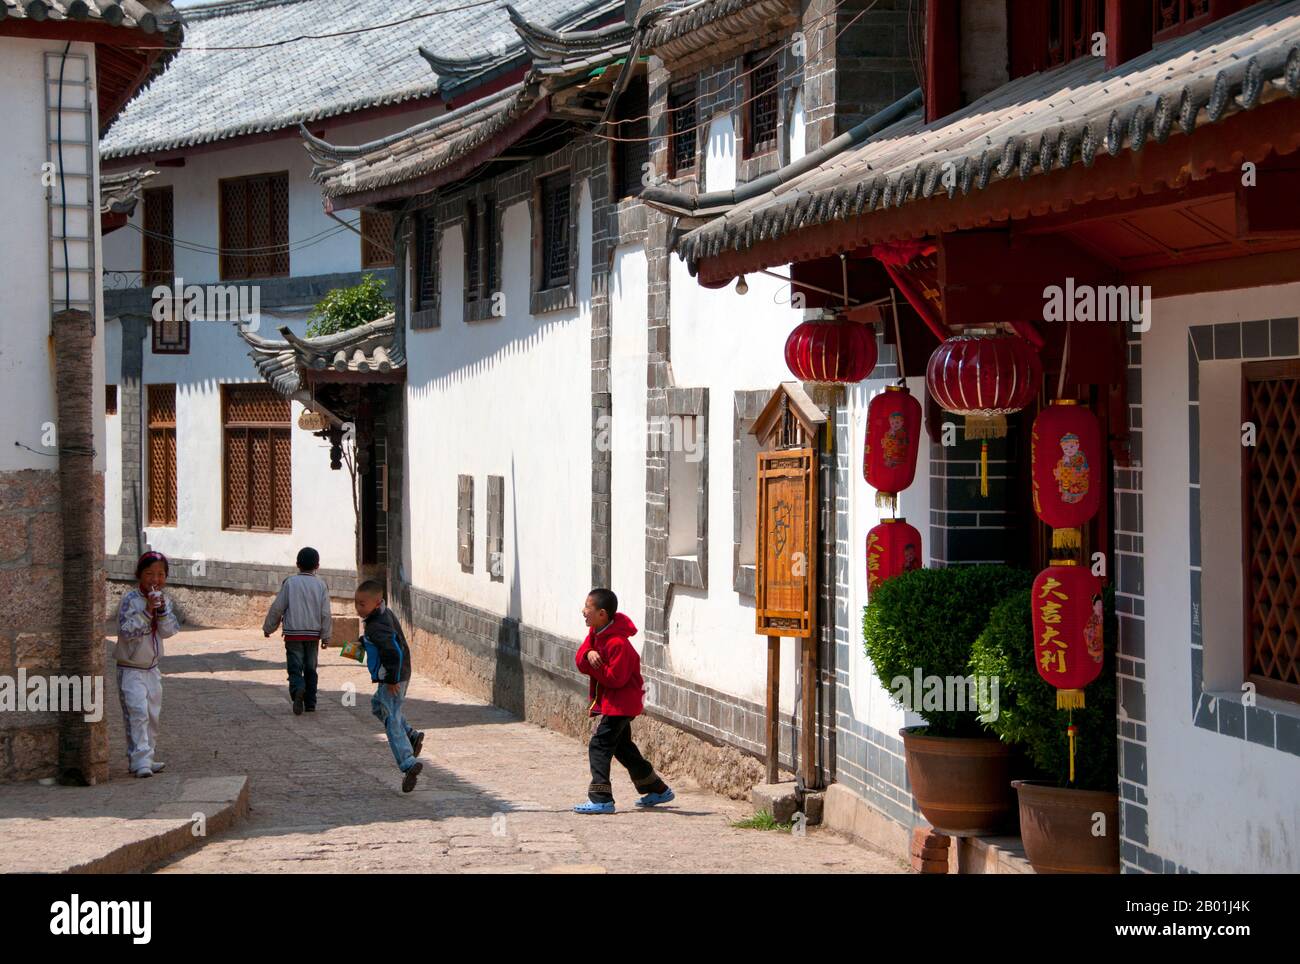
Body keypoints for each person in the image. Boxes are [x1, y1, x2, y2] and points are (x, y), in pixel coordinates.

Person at [572, 588, 673, 814]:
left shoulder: (618, 643)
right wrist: (589, 654)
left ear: (602, 614)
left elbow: (616, 680)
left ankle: (601, 798)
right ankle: (657, 789)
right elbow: (580, 660)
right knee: (623, 748)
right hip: (614, 703)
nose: (584, 611)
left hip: (621, 704)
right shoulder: (595, 634)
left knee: (599, 745)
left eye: (588, 607)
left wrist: (595, 666)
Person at [115, 550, 180, 778]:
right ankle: (138, 759)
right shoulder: (130, 600)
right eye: (150, 574)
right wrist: (147, 611)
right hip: (131, 668)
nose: (155, 579)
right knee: (137, 712)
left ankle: (148, 756)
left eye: (160, 574)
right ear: (139, 575)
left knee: (153, 714)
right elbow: (126, 631)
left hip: (152, 668)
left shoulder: (165, 600)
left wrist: (161, 611)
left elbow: (169, 630)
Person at [355, 581, 424, 792]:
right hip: (397, 674)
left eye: (362, 604)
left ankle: (408, 763)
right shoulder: (380, 616)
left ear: (376, 603)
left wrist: (392, 680)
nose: (358, 608)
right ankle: (411, 735)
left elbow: (393, 651)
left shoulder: (377, 625)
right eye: (356, 603)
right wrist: (361, 642)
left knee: (390, 718)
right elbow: (385, 641)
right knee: (379, 706)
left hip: (393, 677)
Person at [263, 547, 333, 715]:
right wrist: (326, 636)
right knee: (310, 669)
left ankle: (297, 689)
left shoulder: (290, 583)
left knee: (295, 668)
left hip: (293, 634)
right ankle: (310, 703)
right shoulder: (321, 585)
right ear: (317, 565)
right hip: (313, 635)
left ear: (297, 564)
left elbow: (277, 608)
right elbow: (325, 613)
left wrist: (268, 627)